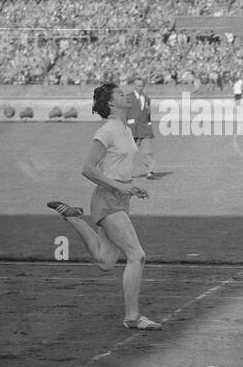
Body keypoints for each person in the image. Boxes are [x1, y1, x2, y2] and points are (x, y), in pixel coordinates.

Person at [48, 83, 162, 330]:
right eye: (120, 93)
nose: (125, 94)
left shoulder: (125, 128)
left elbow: (117, 168)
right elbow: (87, 168)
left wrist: (130, 186)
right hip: (108, 199)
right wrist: (120, 187)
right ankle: (132, 317)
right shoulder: (107, 130)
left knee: (105, 260)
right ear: (111, 103)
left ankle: (73, 217)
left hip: (120, 197)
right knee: (137, 255)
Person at [125, 73, 156, 180]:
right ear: (134, 85)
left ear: (143, 86)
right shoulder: (128, 97)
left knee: (147, 151)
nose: (139, 87)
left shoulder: (147, 99)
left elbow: (148, 115)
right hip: (132, 129)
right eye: (138, 85)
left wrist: (149, 125)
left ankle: (150, 171)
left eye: (141, 85)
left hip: (144, 129)